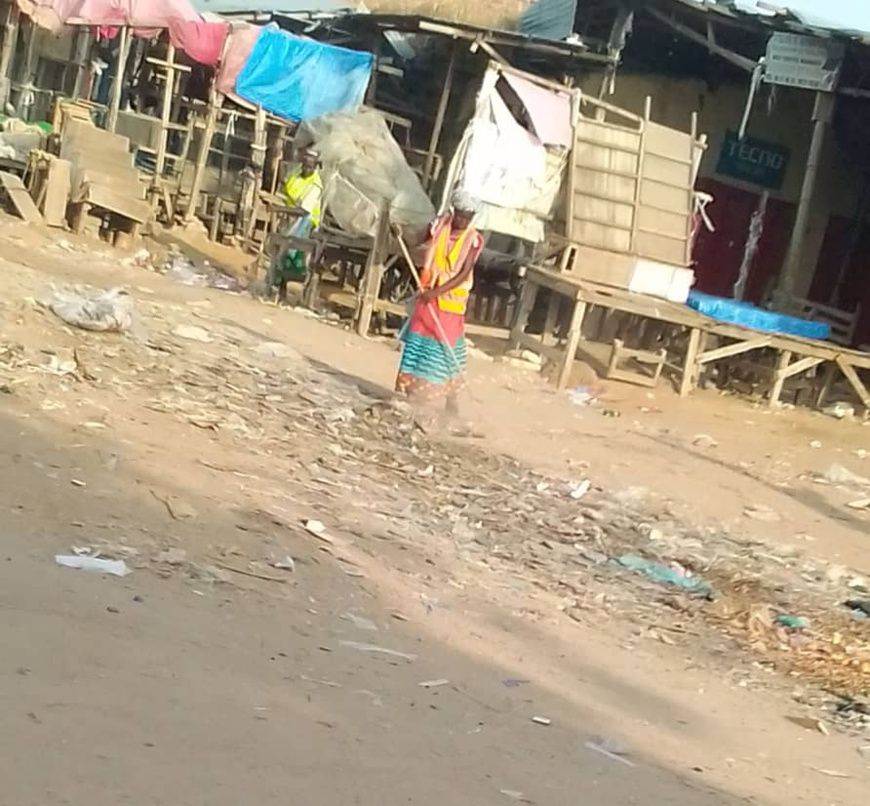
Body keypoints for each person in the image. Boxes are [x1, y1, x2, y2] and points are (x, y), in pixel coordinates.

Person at [395, 191, 484, 415]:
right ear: (454, 212)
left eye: (467, 217)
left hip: (450, 302)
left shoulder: (473, 240)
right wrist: (400, 233)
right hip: (427, 295)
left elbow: (464, 273)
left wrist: (438, 292)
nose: (462, 221)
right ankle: (412, 392)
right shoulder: (439, 226)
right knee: (418, 343)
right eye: (460, 215)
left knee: (445, 347)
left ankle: (451, 399)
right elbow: (418, 239)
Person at [273, 147, 324, 302]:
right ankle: (278, 285)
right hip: (290, 215)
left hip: (305, 220)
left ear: (315, 166)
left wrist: (277, 208)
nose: (307, 168)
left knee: (291, 250)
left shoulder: (315, 185)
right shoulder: (297, 173)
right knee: (280, 248)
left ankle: (287, 287)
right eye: (305, 164)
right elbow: (287, 185)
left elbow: (303, 211)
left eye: (310, 166)